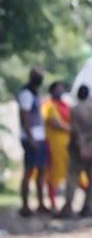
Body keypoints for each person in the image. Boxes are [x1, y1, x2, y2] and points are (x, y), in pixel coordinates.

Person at [61, 84, 92, 220]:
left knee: (73, 178)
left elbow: (74, 129)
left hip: (77, 149)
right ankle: (87, 207)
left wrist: (81, 143)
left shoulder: (75, 110)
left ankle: (69, 206)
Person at [17, 67, 49, 216]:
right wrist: (30, 137)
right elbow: (24, 116)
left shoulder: (35, 93)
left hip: (40, 136)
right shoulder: (26, 93)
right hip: (32, 138)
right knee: (29, 171)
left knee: (41, 171)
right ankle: (25, 205)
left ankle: (41, 203)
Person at [41, 81, 72, 211]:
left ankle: (91, 197)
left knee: (75, 172)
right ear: (52, 90)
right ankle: (53, 202)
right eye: (57, 89)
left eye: (62, 89)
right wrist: (71, 129)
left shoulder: (65, 105)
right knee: (54, 174)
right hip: (54, 145)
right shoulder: (48, 106)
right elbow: (55, 123)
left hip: (68, 144)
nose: (60, 91)